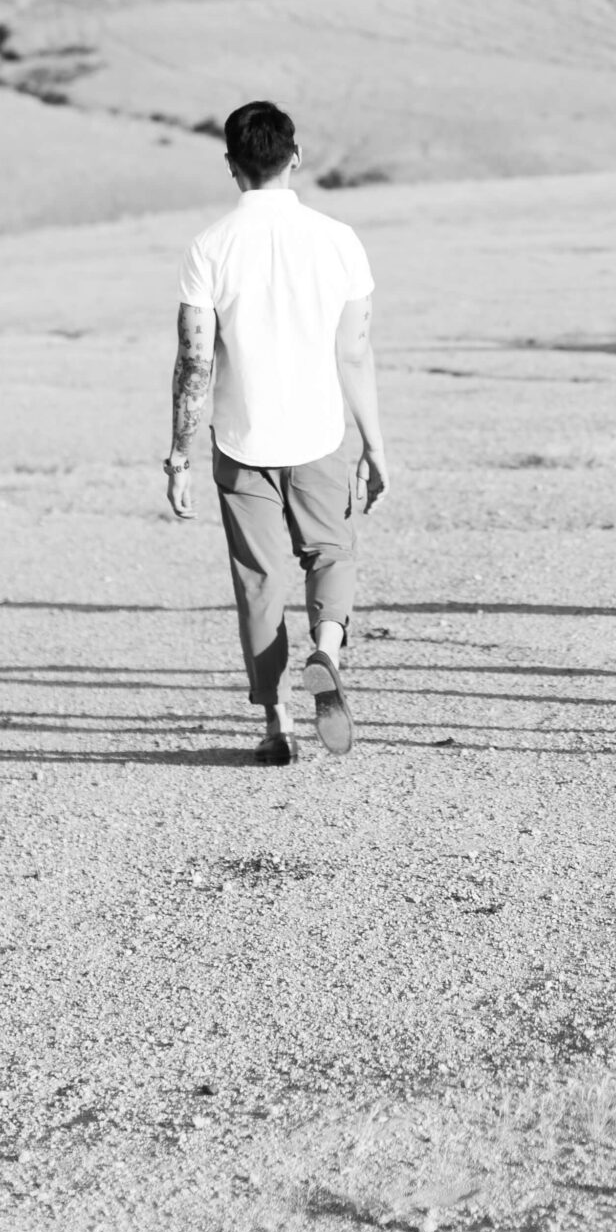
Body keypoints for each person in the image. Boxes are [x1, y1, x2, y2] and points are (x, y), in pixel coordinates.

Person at [165, 100, 390, 766]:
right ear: (296, 156)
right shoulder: (338, 239)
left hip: (242, 440)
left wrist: (178, 454)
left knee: (259, 581)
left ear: (231, 166)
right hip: (320, 431)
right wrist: (374, 446)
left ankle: (278, 721)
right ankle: (326, 646)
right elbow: (354, 352)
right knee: (330, 553)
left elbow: (195, 362)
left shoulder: (208, 247)